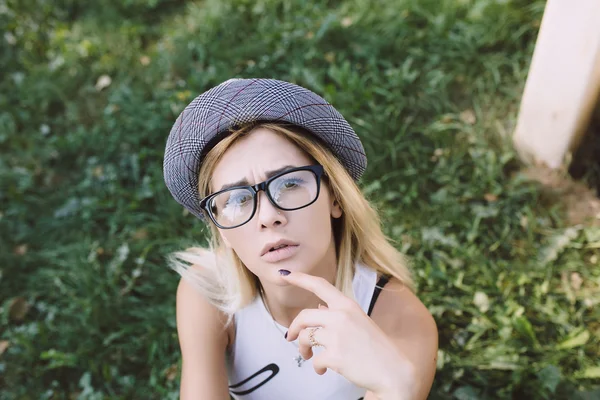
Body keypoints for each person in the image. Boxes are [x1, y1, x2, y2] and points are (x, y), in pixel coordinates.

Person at [163, 78, 438, 400]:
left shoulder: (399, 320)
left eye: (289, 184)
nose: (268, 217)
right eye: (236, 200)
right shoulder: (208, 293)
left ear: (335, 197)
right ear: (222, 230)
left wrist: (397, 389)